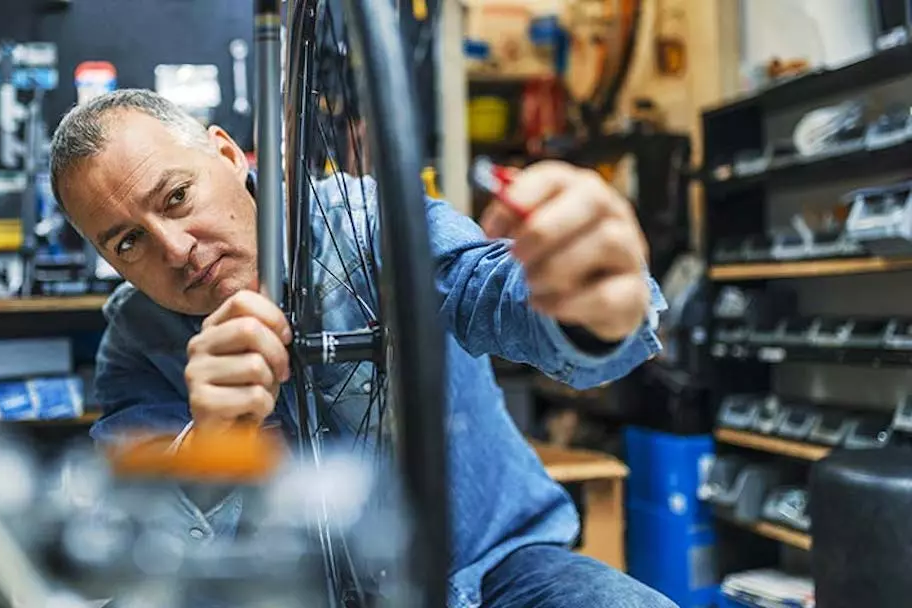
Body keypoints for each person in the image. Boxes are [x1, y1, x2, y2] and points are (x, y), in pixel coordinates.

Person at [49, 89, 675, 608]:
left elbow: (491, 290)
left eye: (177, 197)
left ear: (227, 153)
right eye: (128, 242)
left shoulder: (368, 222)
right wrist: (208, 443)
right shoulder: (135, 345)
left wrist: (589, 302)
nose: (175, 249)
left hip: (490, 576)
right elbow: (125, 547)